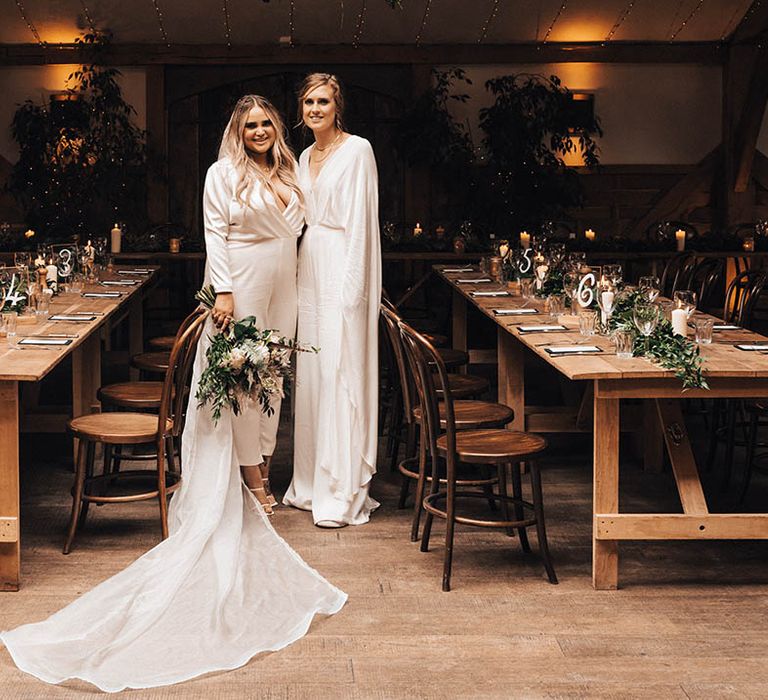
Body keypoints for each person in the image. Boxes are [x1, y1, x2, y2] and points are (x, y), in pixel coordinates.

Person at [0, 96, 346, 693]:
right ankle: (251, 480)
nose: (260, 131)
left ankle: (260, 461)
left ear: (275, 129)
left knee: (268, 382)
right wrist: (224, 292)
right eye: (250, 125)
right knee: (234, 380)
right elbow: (215, 232)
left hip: (287, 281)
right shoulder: (222, 174)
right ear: (236, 131)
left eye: (266, 123)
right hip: (242, 280)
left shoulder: (290, 171)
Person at [283, 73, 382, 528]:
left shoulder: (358, 149)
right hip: (310, 266)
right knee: (314, 373)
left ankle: (340, 489)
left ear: (337, 106)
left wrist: (354, 290)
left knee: (340, 367)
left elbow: (362, 223)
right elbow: (295, 216)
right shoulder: (303, 155)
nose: (315, 109)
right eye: (308, 102)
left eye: (323, 101)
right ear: (301, 109)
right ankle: (310, 482)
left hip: (343, 264)